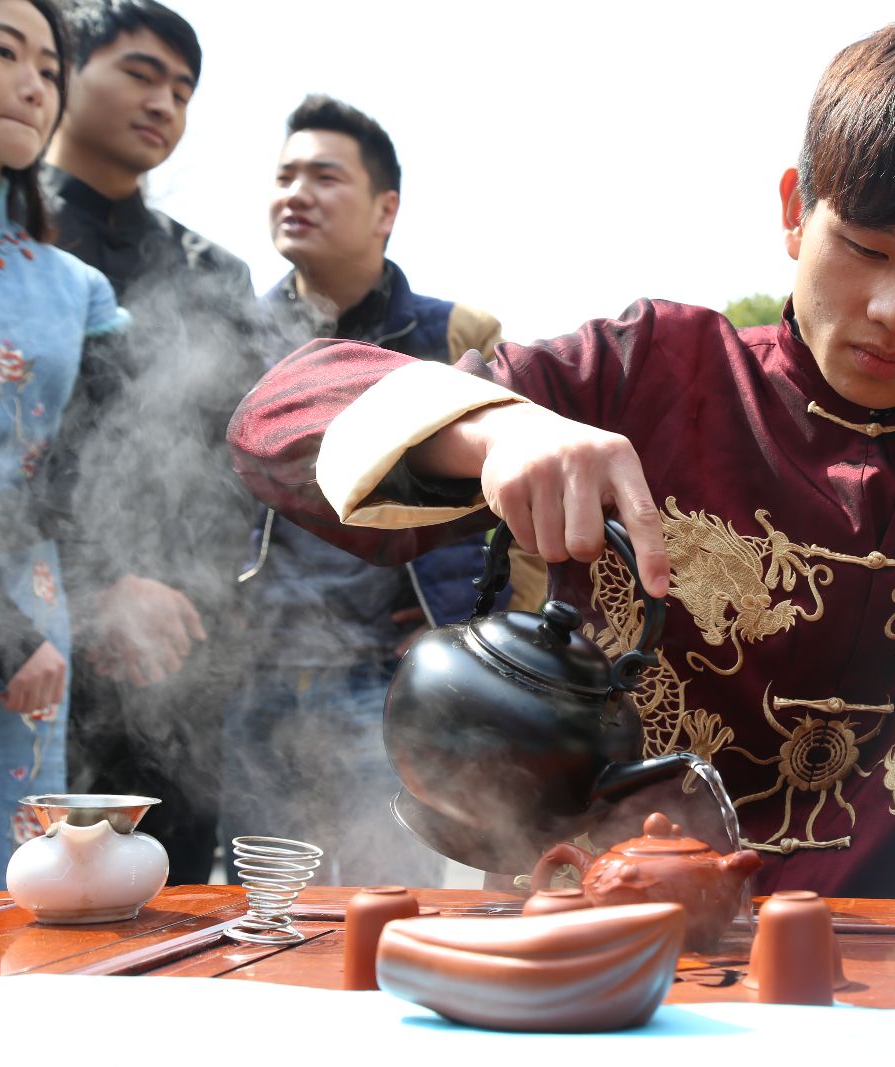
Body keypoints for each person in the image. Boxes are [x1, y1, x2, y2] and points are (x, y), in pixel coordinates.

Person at [230, 19, 895, 902]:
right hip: (614, 931)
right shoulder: (645, 375)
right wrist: (495, 432)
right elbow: (276, 419)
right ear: (796, 211)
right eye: (866, 248)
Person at [222, 94, 523, 887]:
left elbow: (507, 510)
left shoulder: (454, 335)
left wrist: (463, 634)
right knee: (263, 915)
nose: (296, 194)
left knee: (388, 907)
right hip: (259, 675)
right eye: (284, 176)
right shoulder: (232, 335)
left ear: (386, 209)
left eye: (325, 177)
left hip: (385, 681)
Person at [42, 0, 261, 885]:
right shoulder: (8, 242)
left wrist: (188, 596)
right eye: (140, 73)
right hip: (25, 631)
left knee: (169, 903)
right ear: (65, 71)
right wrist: (97, 586)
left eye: (183, 89)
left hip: (178, 640)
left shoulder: (216, 272)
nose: (164, 102)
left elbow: (234, 460)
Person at [0, 0, 128, 889]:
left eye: (49, 68)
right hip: (11, 630)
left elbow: (83, 470)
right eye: (3, 51)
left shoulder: (77, 288)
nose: (35, 85)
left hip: (30, 622)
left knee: (7, 885)